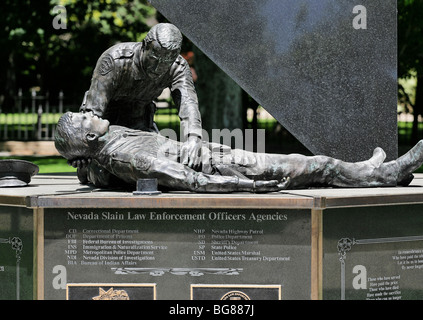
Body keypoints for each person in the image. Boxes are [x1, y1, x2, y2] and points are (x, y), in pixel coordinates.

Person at [54, 111, 423, 193]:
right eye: (84, 118)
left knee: (318, 166)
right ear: (89, 139)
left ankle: (367, 171)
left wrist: (85, 168)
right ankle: (383, 174)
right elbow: (189, 180)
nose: (90, 113)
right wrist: (246, 186)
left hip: (219, 156)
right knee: (319, 166)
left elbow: (92, 166)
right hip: (232, 169)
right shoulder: (127, 158)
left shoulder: (110, 141)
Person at [76, 23, 203, 175]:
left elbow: (188, 103)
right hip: (107, 128)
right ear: (144, 46)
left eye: (166, 63)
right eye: (154, 58)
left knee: (160, 167)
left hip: (141, 125)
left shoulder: (178, 67)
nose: (158, 68)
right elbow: (92, 113)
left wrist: (193, 138)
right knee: (106, 174)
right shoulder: (114, 60)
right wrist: (82, 146)